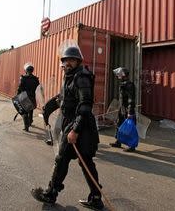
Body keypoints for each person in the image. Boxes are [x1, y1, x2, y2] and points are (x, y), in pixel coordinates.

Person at [32, 45, 104, 210]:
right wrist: (48, 107)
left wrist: (75, 131)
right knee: (70, 161)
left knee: (73, 161)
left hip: (81, 127)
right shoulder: (70, 77)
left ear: (78, 61)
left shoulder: (81, 78)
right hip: (72, 125)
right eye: (65, 60)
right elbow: (64, 98)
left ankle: (51, 194)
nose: (67, 63)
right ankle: (95, 198)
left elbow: (85, 106)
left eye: (71, 60)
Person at [110, 67, 137, 152]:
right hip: (122, 109)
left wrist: (130, 112)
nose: (118, 76)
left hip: (127, 109)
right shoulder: (123, 84)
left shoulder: (129, 85)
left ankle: (132, 146)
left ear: (123, 75)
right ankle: (118, 141)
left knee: (130, 128)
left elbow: (130, 99)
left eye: (119, 74)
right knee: (119, 124)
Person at [17, 63, 40, 132]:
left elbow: (20, 88)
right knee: (31, 110)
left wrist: (17, 95)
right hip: (32, 97)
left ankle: (26, 127)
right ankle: (30, 122)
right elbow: (38, 88)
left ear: (26, 71)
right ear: (32, 71)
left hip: (25, 97)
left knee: (24, 112)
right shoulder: (36, 79)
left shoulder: (23, 78)